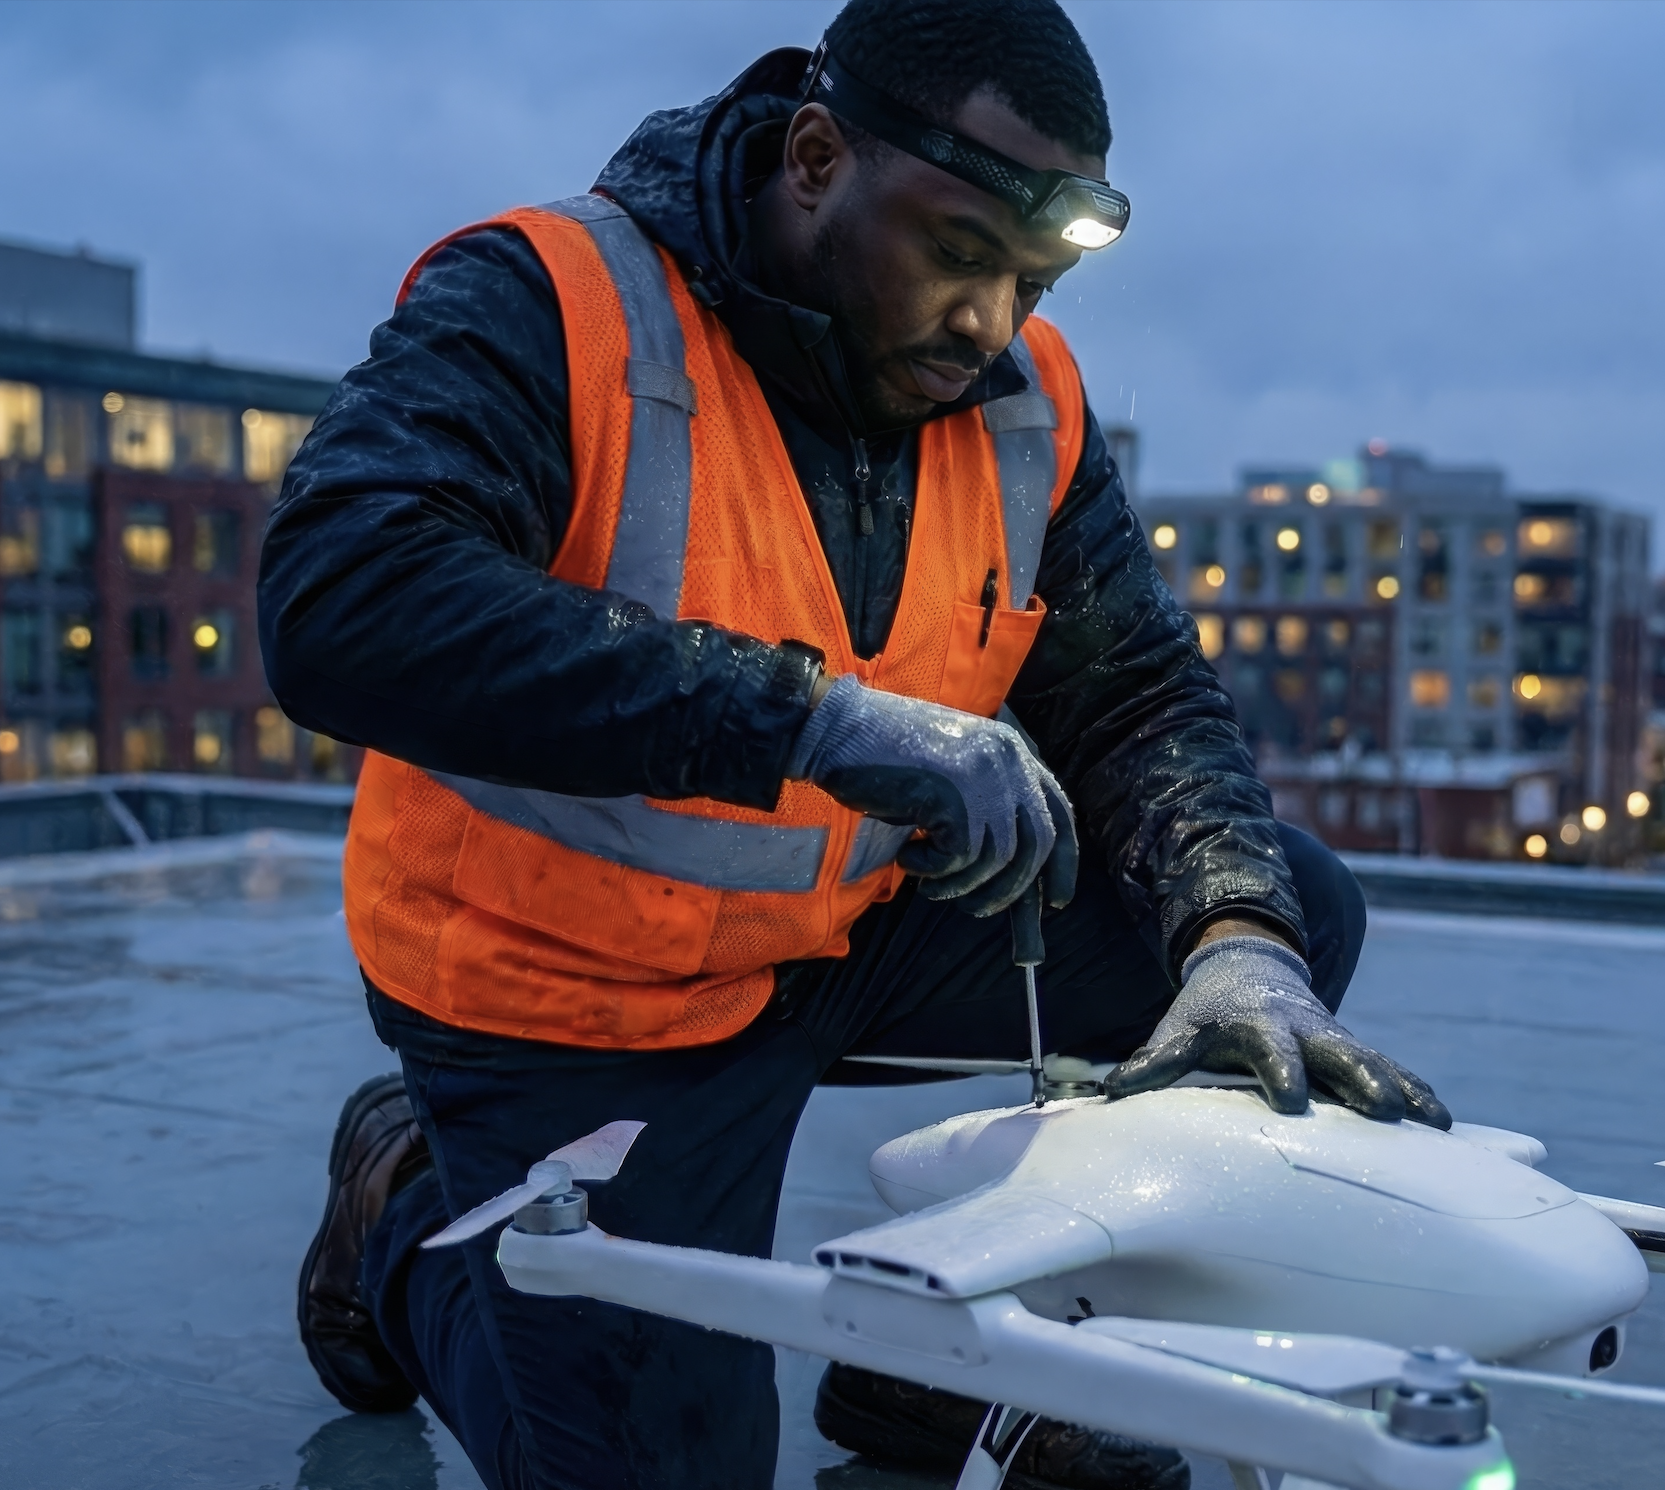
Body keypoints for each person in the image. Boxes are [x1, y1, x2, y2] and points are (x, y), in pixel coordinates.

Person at [262, 2, 1451, 1485]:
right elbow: (338, 596)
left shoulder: (1027, 402)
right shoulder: (551, 302)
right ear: (816, 161)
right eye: (958, 256)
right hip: (573, 982)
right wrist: (814, 720)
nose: (991, 325)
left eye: (1030, 278)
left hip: (840, 925)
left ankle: (948, 1361)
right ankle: (396, 1212)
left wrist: (1235, 936)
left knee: (1281, 913)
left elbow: (1135, 695)